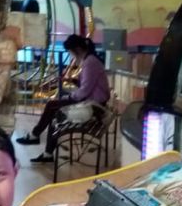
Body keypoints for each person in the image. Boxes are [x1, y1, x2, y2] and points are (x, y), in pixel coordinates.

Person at [16, 34, 111, 163]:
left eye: (70, 52)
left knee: (52, 106)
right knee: (54, 111)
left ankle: (35, 136)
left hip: (94, 106)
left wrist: (69, 96)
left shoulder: (90, 62)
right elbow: (88, 85)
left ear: (77, 49)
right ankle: (46, 152)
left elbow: (85, 90)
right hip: (93, 102)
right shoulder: (90, 60)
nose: (71, 55)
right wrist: (73, 81)